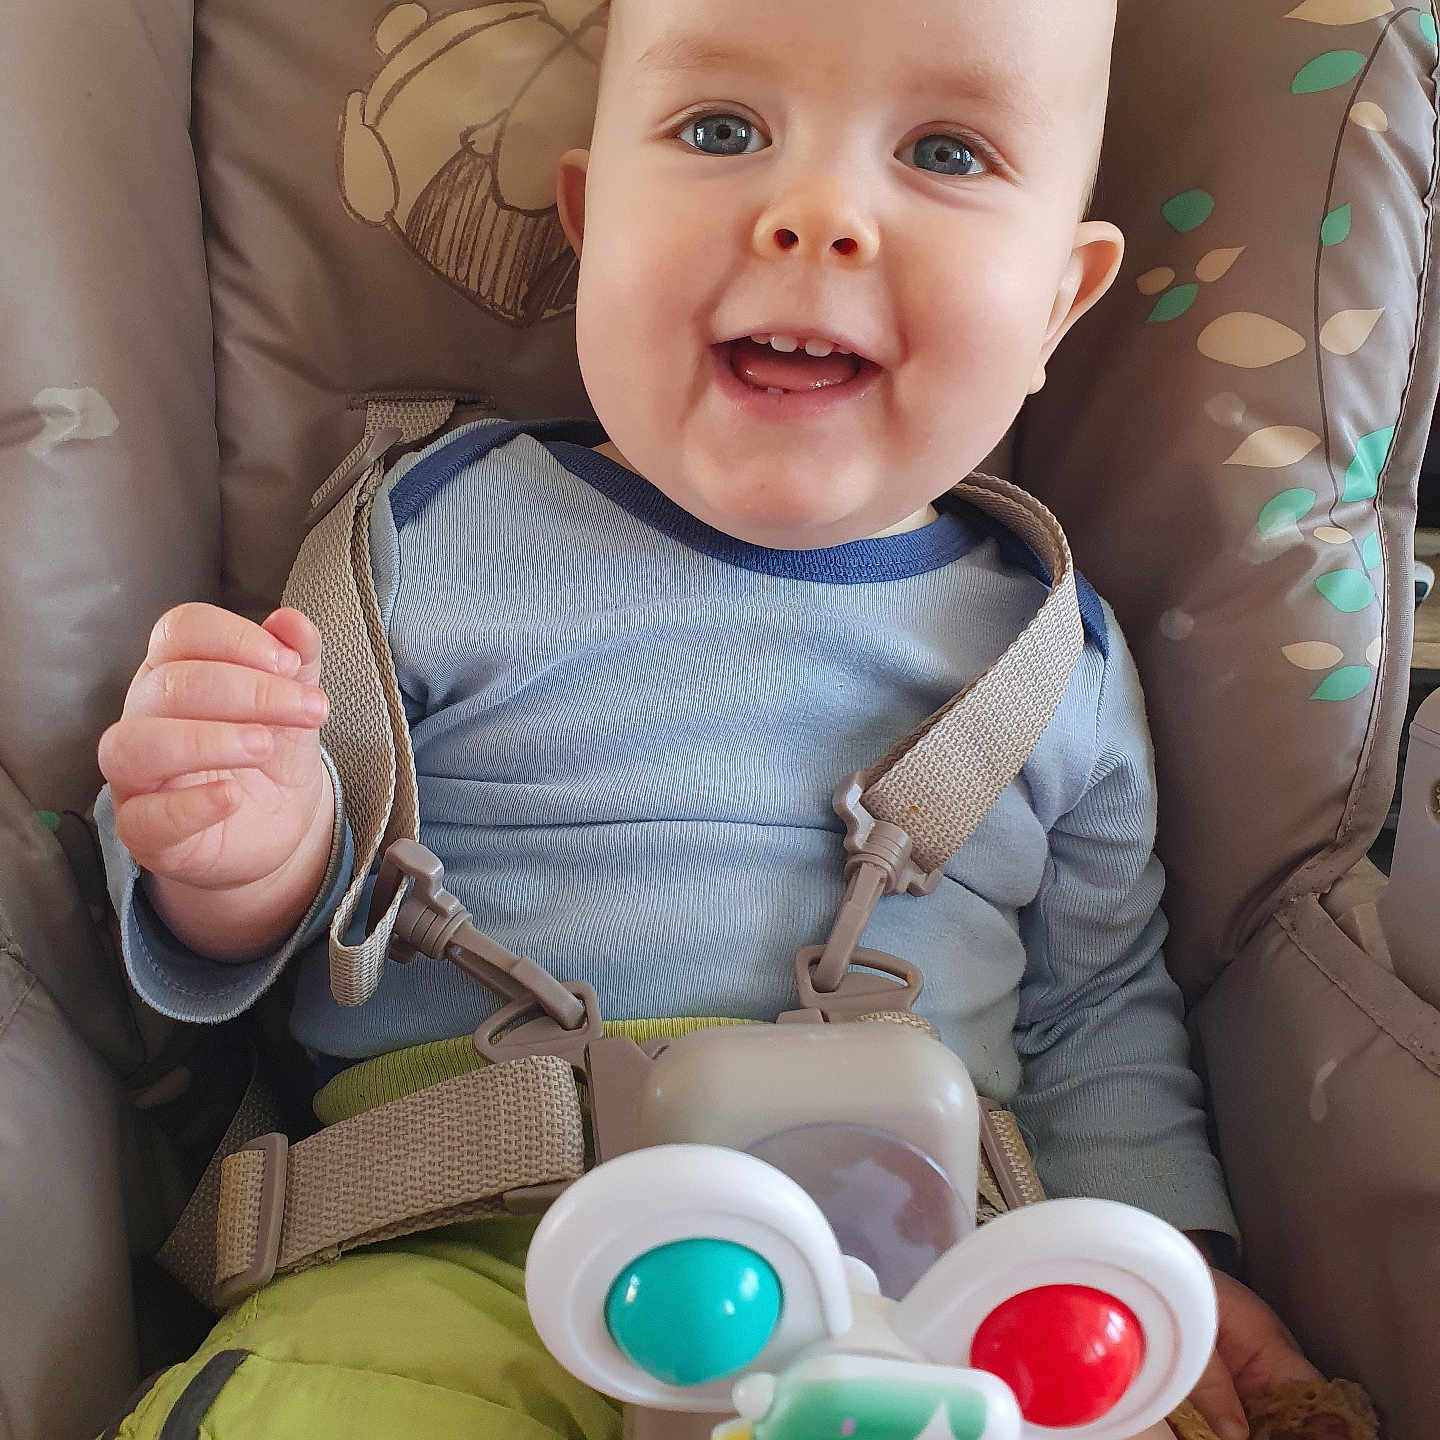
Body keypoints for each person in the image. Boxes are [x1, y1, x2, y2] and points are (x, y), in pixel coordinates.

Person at [95, 0, 1319, 1435]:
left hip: (924, 1294)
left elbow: (1100, 1013)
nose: (819, 216)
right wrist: (236, 859)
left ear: (1057, 299)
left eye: (943, 150)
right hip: (463, 1249)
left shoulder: (1053, 655)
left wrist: (1162, 1255)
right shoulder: (425, 542)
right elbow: (268, 925)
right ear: (591, 216)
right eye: (723, 132)